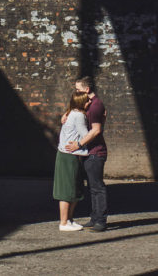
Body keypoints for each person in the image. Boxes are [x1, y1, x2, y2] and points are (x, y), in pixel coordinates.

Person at [64, 75, 107, 231]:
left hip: (96, 152)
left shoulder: (95, 106)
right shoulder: (88, 104)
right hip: (89, 152)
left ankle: (101, 221)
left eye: (78, 89)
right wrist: (66, 114)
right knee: (92, 187)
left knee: (97, 187)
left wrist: (78, 144)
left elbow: (96, 130)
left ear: (87, 89)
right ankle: (94, 218)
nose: (75, 92)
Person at [53, 90, 91, 231]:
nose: (89, 102)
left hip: (68, 154)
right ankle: (63, 222)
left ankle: (69, 220)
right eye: (87, 101)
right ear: (81, 102)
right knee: (67, 190)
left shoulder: (71, 113)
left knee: (74, 188)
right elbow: (86, 135)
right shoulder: (79, 116)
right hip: (69, 156)